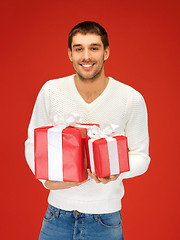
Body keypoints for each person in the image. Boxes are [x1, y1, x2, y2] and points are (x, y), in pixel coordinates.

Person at [25, 21, 150, 240]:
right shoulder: (51, 90)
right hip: (56, 216)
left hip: (105, 219)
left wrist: (115, 172)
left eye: (94, 48)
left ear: (106, 52)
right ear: (70, 54)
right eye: (79, 48)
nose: (86, 56)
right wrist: (46, 181)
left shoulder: (130, 98)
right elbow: (32, 144)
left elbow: (141, 157)